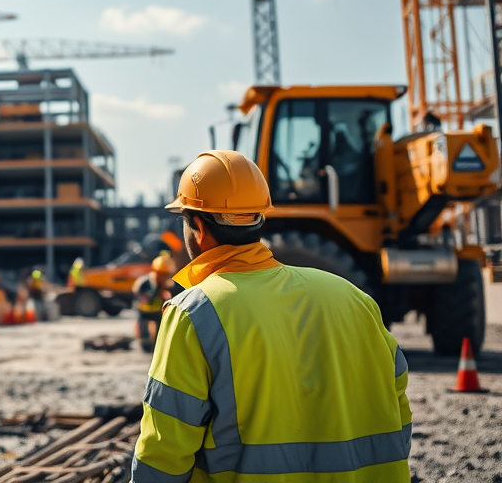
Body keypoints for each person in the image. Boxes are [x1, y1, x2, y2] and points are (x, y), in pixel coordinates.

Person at [133, 150, 411, 482]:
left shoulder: (193, 313)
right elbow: (398, 411)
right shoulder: (356, 299)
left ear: (198, 227)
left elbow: (163, 453)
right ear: (260, 218)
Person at [132, 252, 177, 353]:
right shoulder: (145, 283)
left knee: (159, 336)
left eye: (166, 275)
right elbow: (138, 293)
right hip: (144, 313)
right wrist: (148, 297)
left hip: (158, 314)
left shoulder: (169, 286)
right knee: (144, 335)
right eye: (161, 274)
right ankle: (145, 345)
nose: (163, 277)